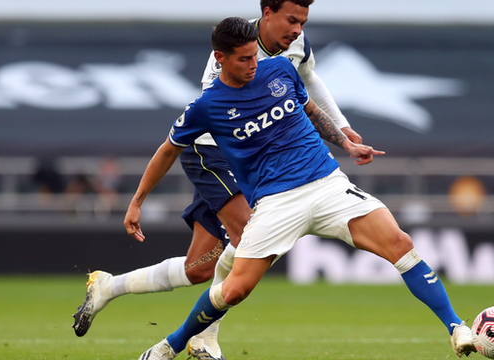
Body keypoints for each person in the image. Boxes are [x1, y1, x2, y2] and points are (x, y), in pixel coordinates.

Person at [125, 17, 476, 360]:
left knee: (400, 243)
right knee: (233, 290)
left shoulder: (280, 69)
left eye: (254, 56)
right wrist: (137, 201)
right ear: (221, 58)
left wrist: (346, 143)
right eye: (244, 59)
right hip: (276, 203)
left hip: (327, 184)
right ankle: (169, 347)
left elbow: (310, 109)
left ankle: (456, 326)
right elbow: (168, 150)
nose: (253, 64)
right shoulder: (206, 107)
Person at [72, 1, 362, 359]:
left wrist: (343, 127)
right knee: (249, 234)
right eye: (292, 19)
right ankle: (203, 338)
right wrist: (137, 200)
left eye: (303, 21)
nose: (297, 29)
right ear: (267, 13)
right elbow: (213, 115)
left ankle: (108, 286)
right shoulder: (230, 53)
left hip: (252, 161)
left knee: (200, 268)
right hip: (214, 154)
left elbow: (309, 79)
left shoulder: (295, 49)